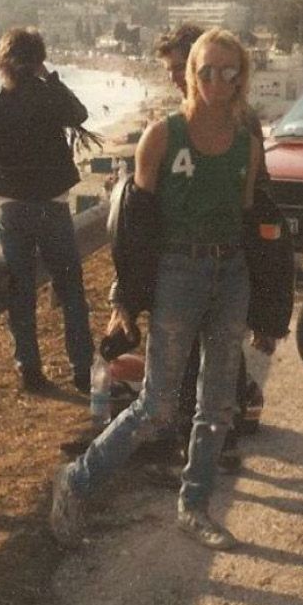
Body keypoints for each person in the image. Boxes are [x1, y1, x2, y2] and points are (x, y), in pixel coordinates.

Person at [51, 28, 262, 551]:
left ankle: (194, 507)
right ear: (192, 73)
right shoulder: (163, 136)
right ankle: (77, 481)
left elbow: (252, 218)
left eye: (228, 70)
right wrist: (126, 300)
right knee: (157, 404)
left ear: (242, 76)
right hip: (178, 275)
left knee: (216, 407)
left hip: (229, 275)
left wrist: (269, 308)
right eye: (206, 69)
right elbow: (134, 227)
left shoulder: (247, 139)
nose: (217, 79)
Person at [0, 27, 101, 394]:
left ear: (2, 61)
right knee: (71, 291)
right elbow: (80, 113)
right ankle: (81, 368)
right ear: (38, 60)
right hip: (53, 207)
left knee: (21, 292)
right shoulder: (50, 98)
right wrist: (50, 77)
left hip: (12, 209)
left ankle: (30, 369)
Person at [149, 24, 271, 478]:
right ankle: (206, 440)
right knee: (207, 358)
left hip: (219, 257)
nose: (174, 79)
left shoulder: (238, 123)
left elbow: (253, 196)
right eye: (176, 71)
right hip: (188, 258)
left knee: (212, 359)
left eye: (180, 69)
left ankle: (214, 443)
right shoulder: (176, 125)